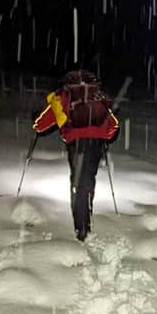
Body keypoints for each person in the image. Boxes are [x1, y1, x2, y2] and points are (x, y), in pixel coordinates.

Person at [32, 70, 119, 241]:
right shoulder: (98, 96)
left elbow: (40, 126)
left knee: (77, 184)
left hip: (77, 142)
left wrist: (36, 120)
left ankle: (82, 230)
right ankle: (87, 212)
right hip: (97, 143)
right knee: (88, 179)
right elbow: (113, 127)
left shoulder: (63, 95)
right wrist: (100, 134)